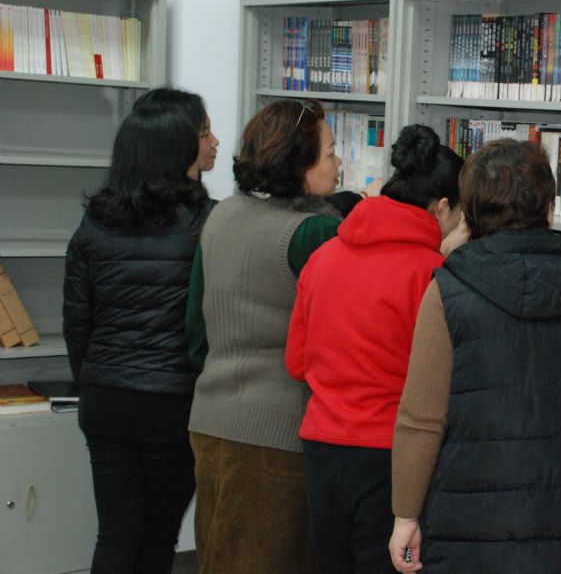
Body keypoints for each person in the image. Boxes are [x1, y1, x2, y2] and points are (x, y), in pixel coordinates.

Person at [388, 138, 561, 574]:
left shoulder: (449, 290)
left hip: (472, 536)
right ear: (549, 208)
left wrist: (405, 517)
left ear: (470, 213)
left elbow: (421, 420)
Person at [186, 99, 373, 573]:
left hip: (209, 420)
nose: (338, 163)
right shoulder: (316, 232)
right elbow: (346, 341)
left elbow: (196, 331)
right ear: (299, 163)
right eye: (329, 153)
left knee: (217, 558)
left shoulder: (221, 215)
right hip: (281, 433)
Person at [286, 124, 464, 573]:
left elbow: (296, 363)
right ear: (443, 207)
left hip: (322, 448)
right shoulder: (434, 275)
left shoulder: (323, 257)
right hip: (393, 458)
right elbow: (442, 383)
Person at [62, 87, 218, 574]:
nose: (215, 142)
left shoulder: (95, 222)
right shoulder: (208, 224)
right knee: (156, 539)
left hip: (105, 399)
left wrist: (94, 378)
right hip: (172, 402)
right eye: (205, 132)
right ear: (177, 146)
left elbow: (77, 322)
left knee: (115, 534)